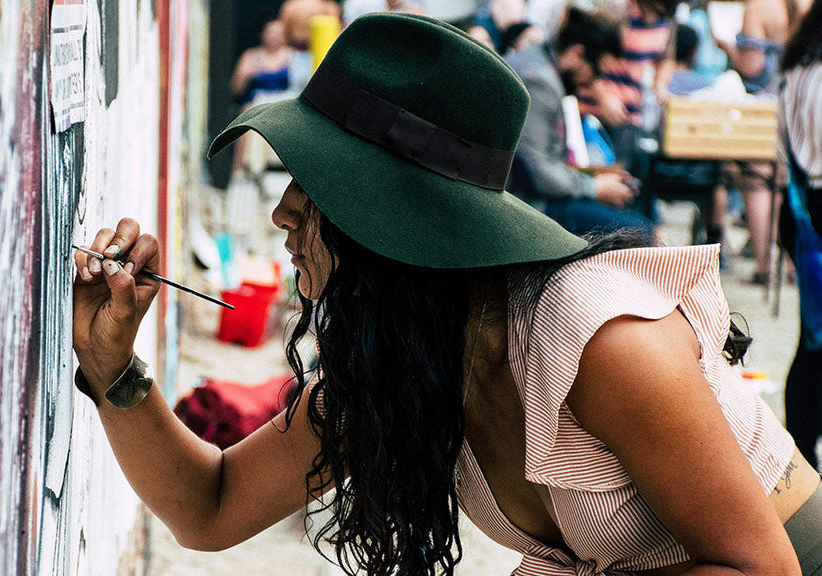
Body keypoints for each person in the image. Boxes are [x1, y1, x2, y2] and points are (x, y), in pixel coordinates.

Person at [72, 13, 822, 575]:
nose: (284, 211)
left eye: (320, 184)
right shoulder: (414, 358)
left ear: (402, 222)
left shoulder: (599, 337)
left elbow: (763, 570)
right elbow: (211, 506)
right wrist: (112, 367)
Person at [505, 8, 655, 240]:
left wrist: (597, 179)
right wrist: (594, 188)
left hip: (534, 197)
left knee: (634, 204)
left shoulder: (540, 63)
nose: (595, 82)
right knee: (639, 232)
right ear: (577, 54)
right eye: (597, 72)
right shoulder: (539, 81)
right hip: (528, 206)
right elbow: (534, 170)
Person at [716, 0, 805, 284]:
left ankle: (767, 268)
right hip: (806, 105)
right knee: (790, 183)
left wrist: (729, 49)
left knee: (757, 180)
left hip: (768, 109)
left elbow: (752, 66)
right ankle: (795, 266)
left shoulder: (759, 7)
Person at [779, 0, 822, 472]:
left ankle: (801, 449)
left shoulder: (795, 69)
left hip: (801, 208)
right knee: (814, 341)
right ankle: (803, 450)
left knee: (811, 336)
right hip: (818, 206)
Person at [230, 18, 292, 109]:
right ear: (262, 33)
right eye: (270, 32)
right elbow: (236, 90)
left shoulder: (293, 55)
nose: (274, 36)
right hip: (255, 105)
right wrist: (245, 75)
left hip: (285, 104)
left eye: (278, 33)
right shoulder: (250, 55)